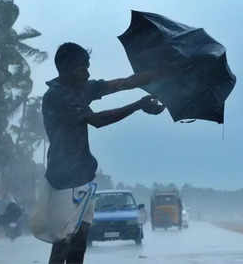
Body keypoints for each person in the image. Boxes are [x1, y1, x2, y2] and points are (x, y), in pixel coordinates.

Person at [41, 42, 167, 264]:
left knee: (78, 245)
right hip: (62, 180)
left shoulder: (79, 88)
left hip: (83, 178)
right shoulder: (57, 96)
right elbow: (97, 120)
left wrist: (161, 73)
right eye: (83, 68)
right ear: (67, 68)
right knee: (63, 244)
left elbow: (123, 83)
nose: (88, 73)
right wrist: (138, 106)